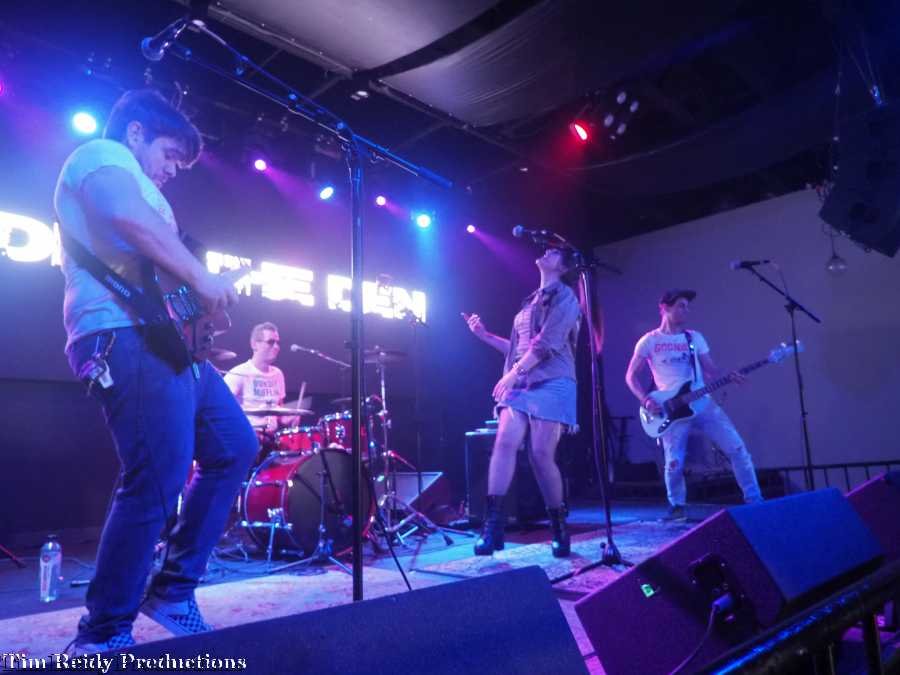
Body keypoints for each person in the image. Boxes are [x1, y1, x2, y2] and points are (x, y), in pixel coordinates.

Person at [55, 90, 258, 653]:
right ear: (137, 132)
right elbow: (124, 215)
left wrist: (202, 320)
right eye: (170, 154)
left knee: (234, 446)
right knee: (158, 474)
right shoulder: (101, 156)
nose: (173, 171)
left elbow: (154, 278)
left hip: (166, 342)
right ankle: (102, 634)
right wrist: (202, 277)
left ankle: (172, 590)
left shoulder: (146, 191)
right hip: (119, 334)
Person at [463, 247, 581, 557]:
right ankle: (493, 527)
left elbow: (547, 344)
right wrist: (485, 335)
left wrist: (514, 374)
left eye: (553, 252)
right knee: (504, 443)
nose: (546, 252)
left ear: (563, 267)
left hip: (553, 381)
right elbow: (518, 349)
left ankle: (559, 527)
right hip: (523, 381)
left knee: (541, 454)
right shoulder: (529, 301)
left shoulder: (566, 298)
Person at [625, 290, 763, 519]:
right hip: (670, 410)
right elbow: (630, 376)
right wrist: (646, 400)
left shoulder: (694, 338)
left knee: (737, 449)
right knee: (674, 463)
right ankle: (677, 505)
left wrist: (729, 375)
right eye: (681, 305)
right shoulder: (649, 341)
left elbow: (711, 370)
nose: (686, 311)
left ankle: (755, 500)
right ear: (664, 308)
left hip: (703, 404)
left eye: (687, 306)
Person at [224, 322, 300, 432]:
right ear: (254, 345)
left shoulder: (278, 374)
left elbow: (278, 410)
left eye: (277, 342)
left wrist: (289, 418)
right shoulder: (238, 373)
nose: (276, 347)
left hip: (272, 436)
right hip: (247, 435)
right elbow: (222, 409)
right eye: (270, 342)